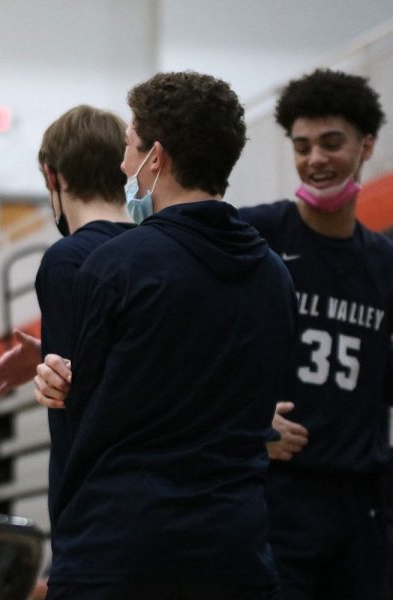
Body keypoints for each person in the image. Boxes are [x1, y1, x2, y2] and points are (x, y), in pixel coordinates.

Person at [39, 71, 296, 599]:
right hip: (237, 550)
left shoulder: (115, 265)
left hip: (122, 551)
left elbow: (86, 414)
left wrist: (61, 381)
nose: (123, 165)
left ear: (157, 159)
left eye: (131, 148)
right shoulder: (274, 273)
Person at [237, 69, 393, 600]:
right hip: (278, 496)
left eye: (331, 144)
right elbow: (190, 348)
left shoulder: (384, 262)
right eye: (302, 147)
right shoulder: (255, 235)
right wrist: (244, 420)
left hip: (363, 502)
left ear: (366, 145)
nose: (315, 160)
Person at [0, 105, 132, 532]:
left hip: (98, 507)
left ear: (52, 176)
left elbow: (76, 395)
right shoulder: (159, 249)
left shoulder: (68, 260)